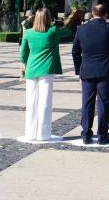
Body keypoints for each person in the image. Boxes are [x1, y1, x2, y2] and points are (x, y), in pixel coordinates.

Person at [72, 4, 109, 145]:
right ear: (106, 14)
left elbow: (75, 52)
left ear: (92, 13)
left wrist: (79, 71)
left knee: (87, 103)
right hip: (106, 71)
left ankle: (86, 134)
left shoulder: (81, 29)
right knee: (104, 103)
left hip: (87, 71)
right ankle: (102, 136)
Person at [20, 8, 71, 142]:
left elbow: (23, 52)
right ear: (48, 18)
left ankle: (30, 133)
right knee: (45, 102)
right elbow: (69, 31)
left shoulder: (29, 33)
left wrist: (23, 64)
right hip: (47, 68)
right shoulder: (53, 31)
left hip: (31, 68)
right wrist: (58, 23)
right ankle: (43, 134)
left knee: (31, 102)